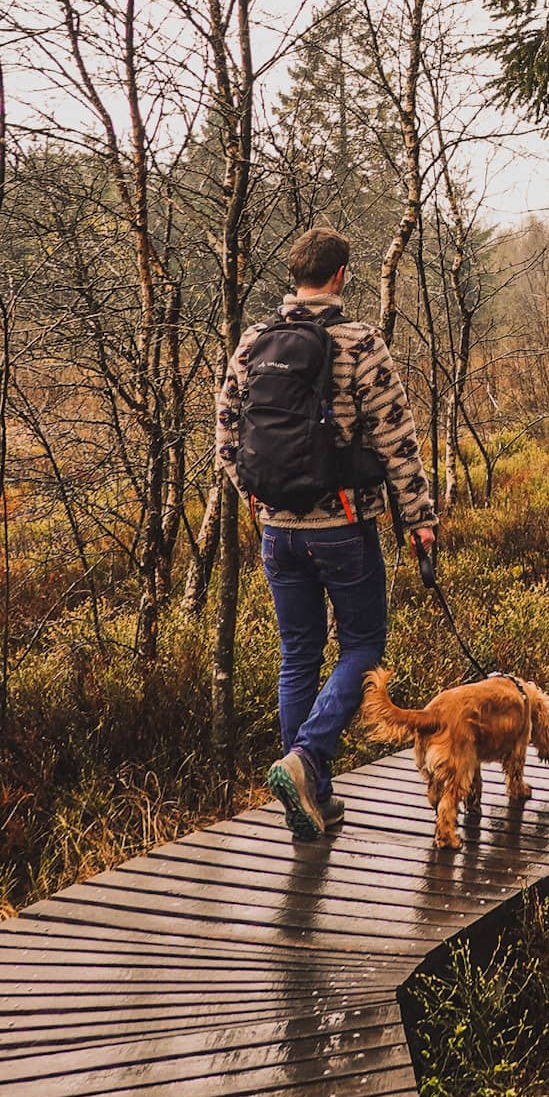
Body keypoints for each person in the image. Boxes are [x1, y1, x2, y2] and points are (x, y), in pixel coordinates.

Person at [217, 225, 437, 840]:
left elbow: (226, 440)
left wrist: (262, 501)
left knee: (297, 657)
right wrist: (420, 522)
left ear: (295, 275)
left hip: (276, 532)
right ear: (339, 276)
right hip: (343, 525)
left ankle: (316, 799)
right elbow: (398, 443)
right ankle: (309, 760)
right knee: (364, 645)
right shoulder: (360, 343)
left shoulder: (251, 344)